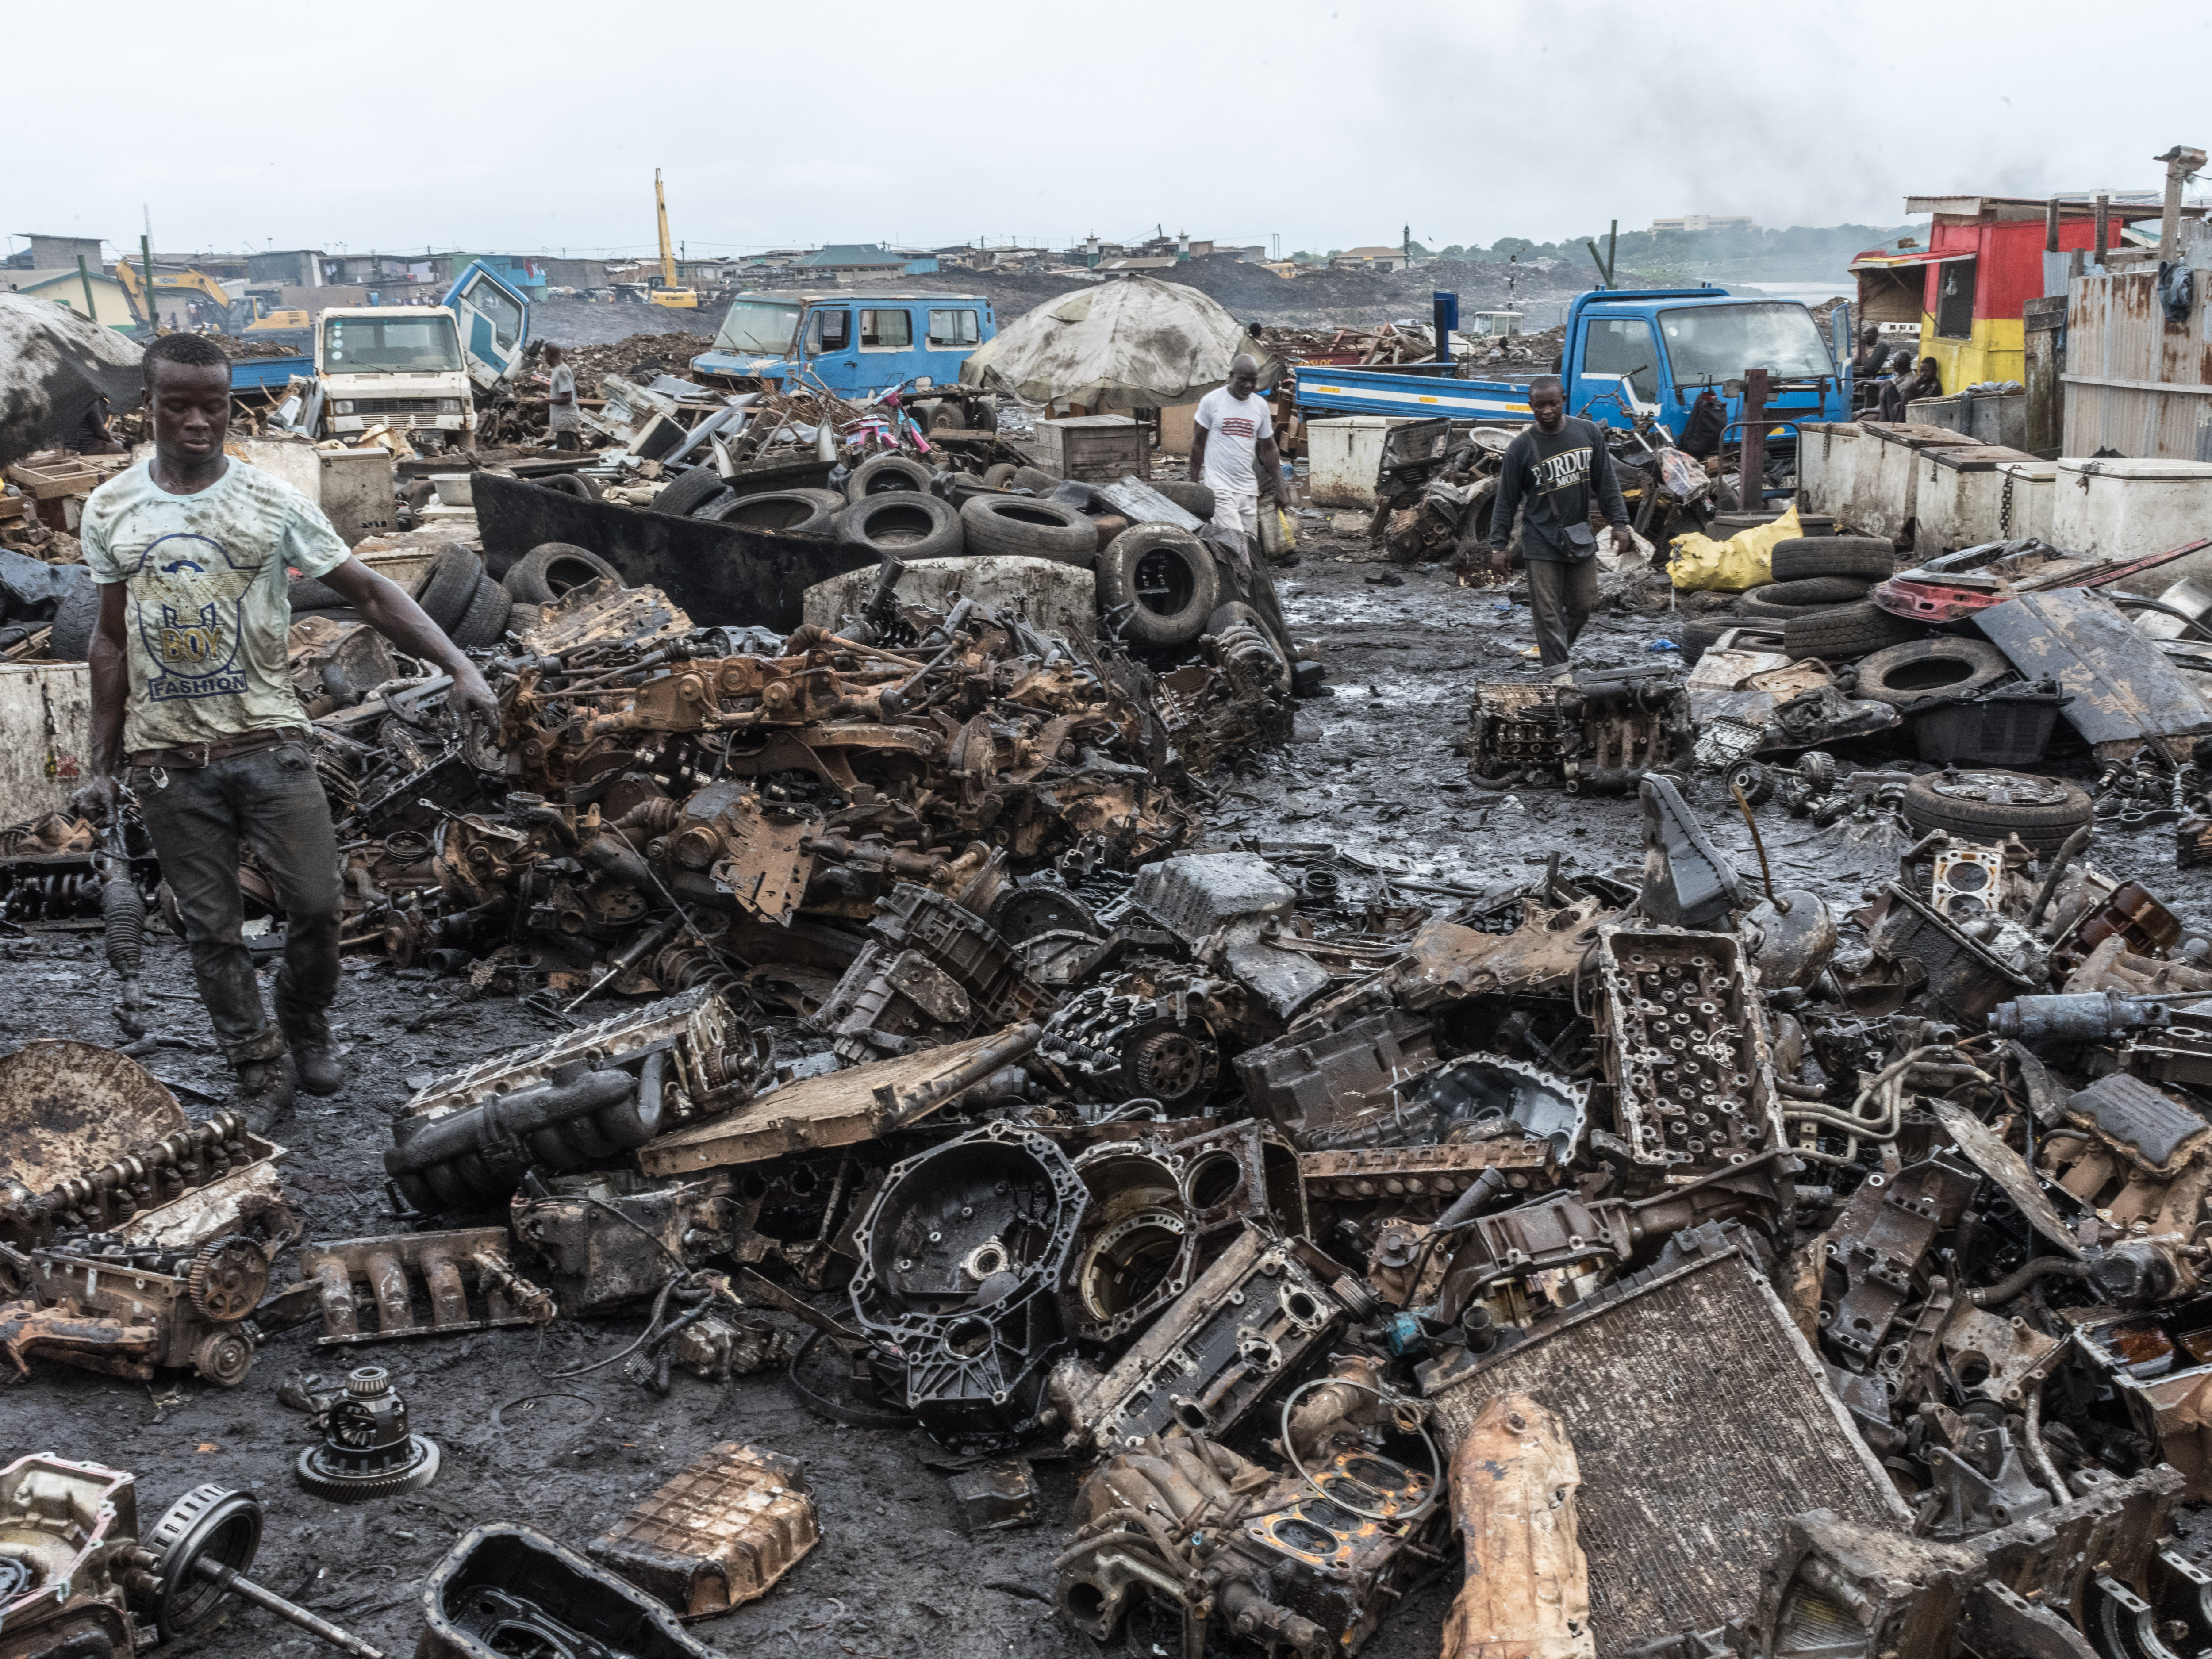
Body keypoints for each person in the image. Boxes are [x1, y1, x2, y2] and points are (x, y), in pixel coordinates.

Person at [77, 333, 499, 1126]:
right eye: (179, 406)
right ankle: (256, 1064)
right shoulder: (111, 506)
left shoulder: (269, 502)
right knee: (211, 929)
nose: (198, 422)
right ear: (149, 404)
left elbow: (369, 593)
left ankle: (302, 1015)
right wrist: (100, 762)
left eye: (214, 406)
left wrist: (460, 666)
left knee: (316, 903)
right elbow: (109, 638)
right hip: (167, 760)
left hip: (270, 744)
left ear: (229, 407)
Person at [1486, 376, 1633, 682]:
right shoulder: (1521, 448)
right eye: (1540, 406)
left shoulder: (1588, 433)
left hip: (1579, 535)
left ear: (1563, 400)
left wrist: (1620, 524)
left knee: (1584, 604)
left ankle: (1555, 651)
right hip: (1539, 539)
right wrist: (1499, 546)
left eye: (1553, 404)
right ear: (1531, 406)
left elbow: (1607, 483)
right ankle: (1558, 672)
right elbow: (1506, 500)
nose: (1547, 411)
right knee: (1547, 611)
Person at [1187, 354, 1283, 549]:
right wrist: (1194, 486)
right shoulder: (1211, 402)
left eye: (1253, 381)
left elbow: (1269, 449)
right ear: (1231, 376)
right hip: (1220, 487)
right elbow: (1198, 444)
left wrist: (1281, 487)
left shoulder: (1260, 406)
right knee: (1236, 546)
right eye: (1243, 380)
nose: (1249, 385)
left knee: (1250, 547)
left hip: (1248, 489)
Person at [545, 343, 582, 451]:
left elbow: (568, 398)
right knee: (566, 456)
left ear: (549, 355)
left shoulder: (562, 371)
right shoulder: (557, 370)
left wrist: (545, 401)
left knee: (565, 456)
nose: (545, 359)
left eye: (545, 356)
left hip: (566, 421)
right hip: (563, 422)